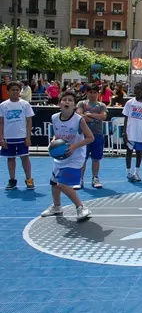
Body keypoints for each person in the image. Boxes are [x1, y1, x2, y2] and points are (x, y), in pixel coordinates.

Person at [39, 90, 94, 221]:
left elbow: (90, 138)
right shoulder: (54, 118)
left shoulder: (79, 120)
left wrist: (74, 146)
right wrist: (53, 141)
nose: (67, 102)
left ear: (74, 105)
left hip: (76, 156)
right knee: (53, 182)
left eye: (70, 100)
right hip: (61, 155)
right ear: (59, 103)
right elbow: (57, 135)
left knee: (61, 184)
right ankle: (57, 206)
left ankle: (81, 207)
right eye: (65, 99)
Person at [0, 81, 35, 190]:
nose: (15, 92)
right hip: (8, 137)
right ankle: (12, 180)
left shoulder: (25, 104)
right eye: (12, 90)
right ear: (8, 91)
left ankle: (29, 179)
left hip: (22, 137)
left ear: (20, 91)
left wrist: (28, 137)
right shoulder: (3, 105)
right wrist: (1, 138)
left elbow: (29, 121)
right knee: (10, 159)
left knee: (25, 158)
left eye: (17, 90)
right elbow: (1, 122)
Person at [76, 84, 107, 189]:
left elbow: (103, 116)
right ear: (87, 93)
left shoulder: (101, 105)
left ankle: (95, 178)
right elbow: (79, 115)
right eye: (90, 92)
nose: (93, 94)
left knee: (96, 158)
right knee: (82, 159)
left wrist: (89, 115)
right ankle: (80, 179)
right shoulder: (81, 103)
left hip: (97, 135)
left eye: (95, 92)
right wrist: (94, 118)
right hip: (83, 136)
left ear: (97, 93)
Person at [122, 83, 142, 182]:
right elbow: (126, 118)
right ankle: (128, 172)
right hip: (130, 132)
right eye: (136, 89)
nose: (139, 91)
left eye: (141, 89)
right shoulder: (129, 103)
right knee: (129, 152)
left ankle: (137, 172)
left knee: (139, 153)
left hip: (141, 133)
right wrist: (124, 132)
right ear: (134, 90)